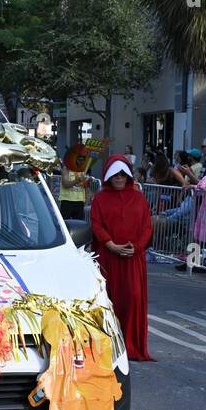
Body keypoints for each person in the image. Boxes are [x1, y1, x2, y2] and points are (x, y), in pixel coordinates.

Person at [90, 155, 153, 362]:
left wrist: (136, 248)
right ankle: (108, 345)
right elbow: (97, 224)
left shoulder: (139, 198)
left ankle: (131, 344)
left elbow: (146, 227)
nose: (119, 178)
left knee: (133, 297)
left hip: (133, 259)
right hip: (109, 258)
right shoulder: (100, 198)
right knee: (109, 299)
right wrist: (111, 245)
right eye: (115, 175)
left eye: (122, 175)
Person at [58, 143, 95, 220]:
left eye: (83, 160)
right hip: (67, 201)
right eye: (79, 159)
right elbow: (65, 184)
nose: (81, 162)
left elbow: (84, 186)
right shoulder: (66, 168)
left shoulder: (82, 169)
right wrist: (76, 180)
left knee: (80, 226)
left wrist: (88, 183)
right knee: (65, 226)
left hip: (80, 202)